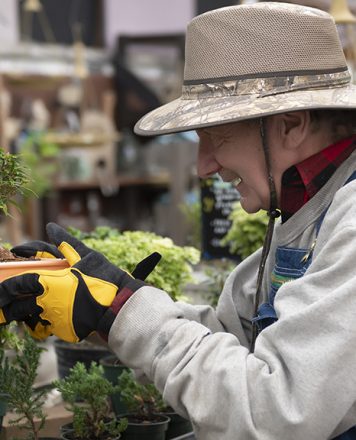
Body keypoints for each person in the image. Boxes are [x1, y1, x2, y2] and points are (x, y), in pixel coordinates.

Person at [2, 3, 356, 439]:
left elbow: (274, 413)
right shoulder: (307, 211)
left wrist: (122, 308)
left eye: (216, 137)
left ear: (291, 126)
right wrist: (102, 309)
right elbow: (231, 344)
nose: (204, 166)